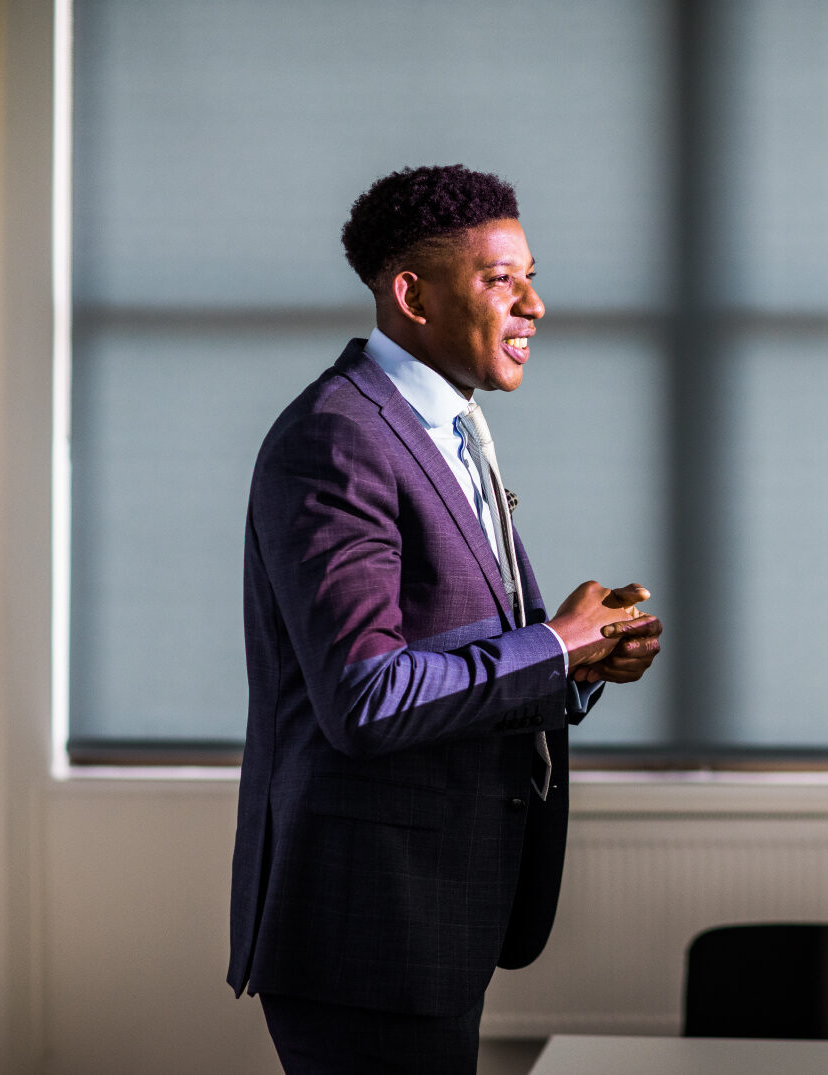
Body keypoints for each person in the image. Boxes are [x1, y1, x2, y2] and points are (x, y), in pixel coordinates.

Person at [226, 164, 662, 1072]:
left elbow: (443, 646)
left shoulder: (448, 429)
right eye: (502, 279)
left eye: (532, 275)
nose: (535, 304)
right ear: (412, 295)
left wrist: (576, 664)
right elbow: (367, 696)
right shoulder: (337, 438)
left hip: (437, 914)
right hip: (367, 930)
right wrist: (553, 642)